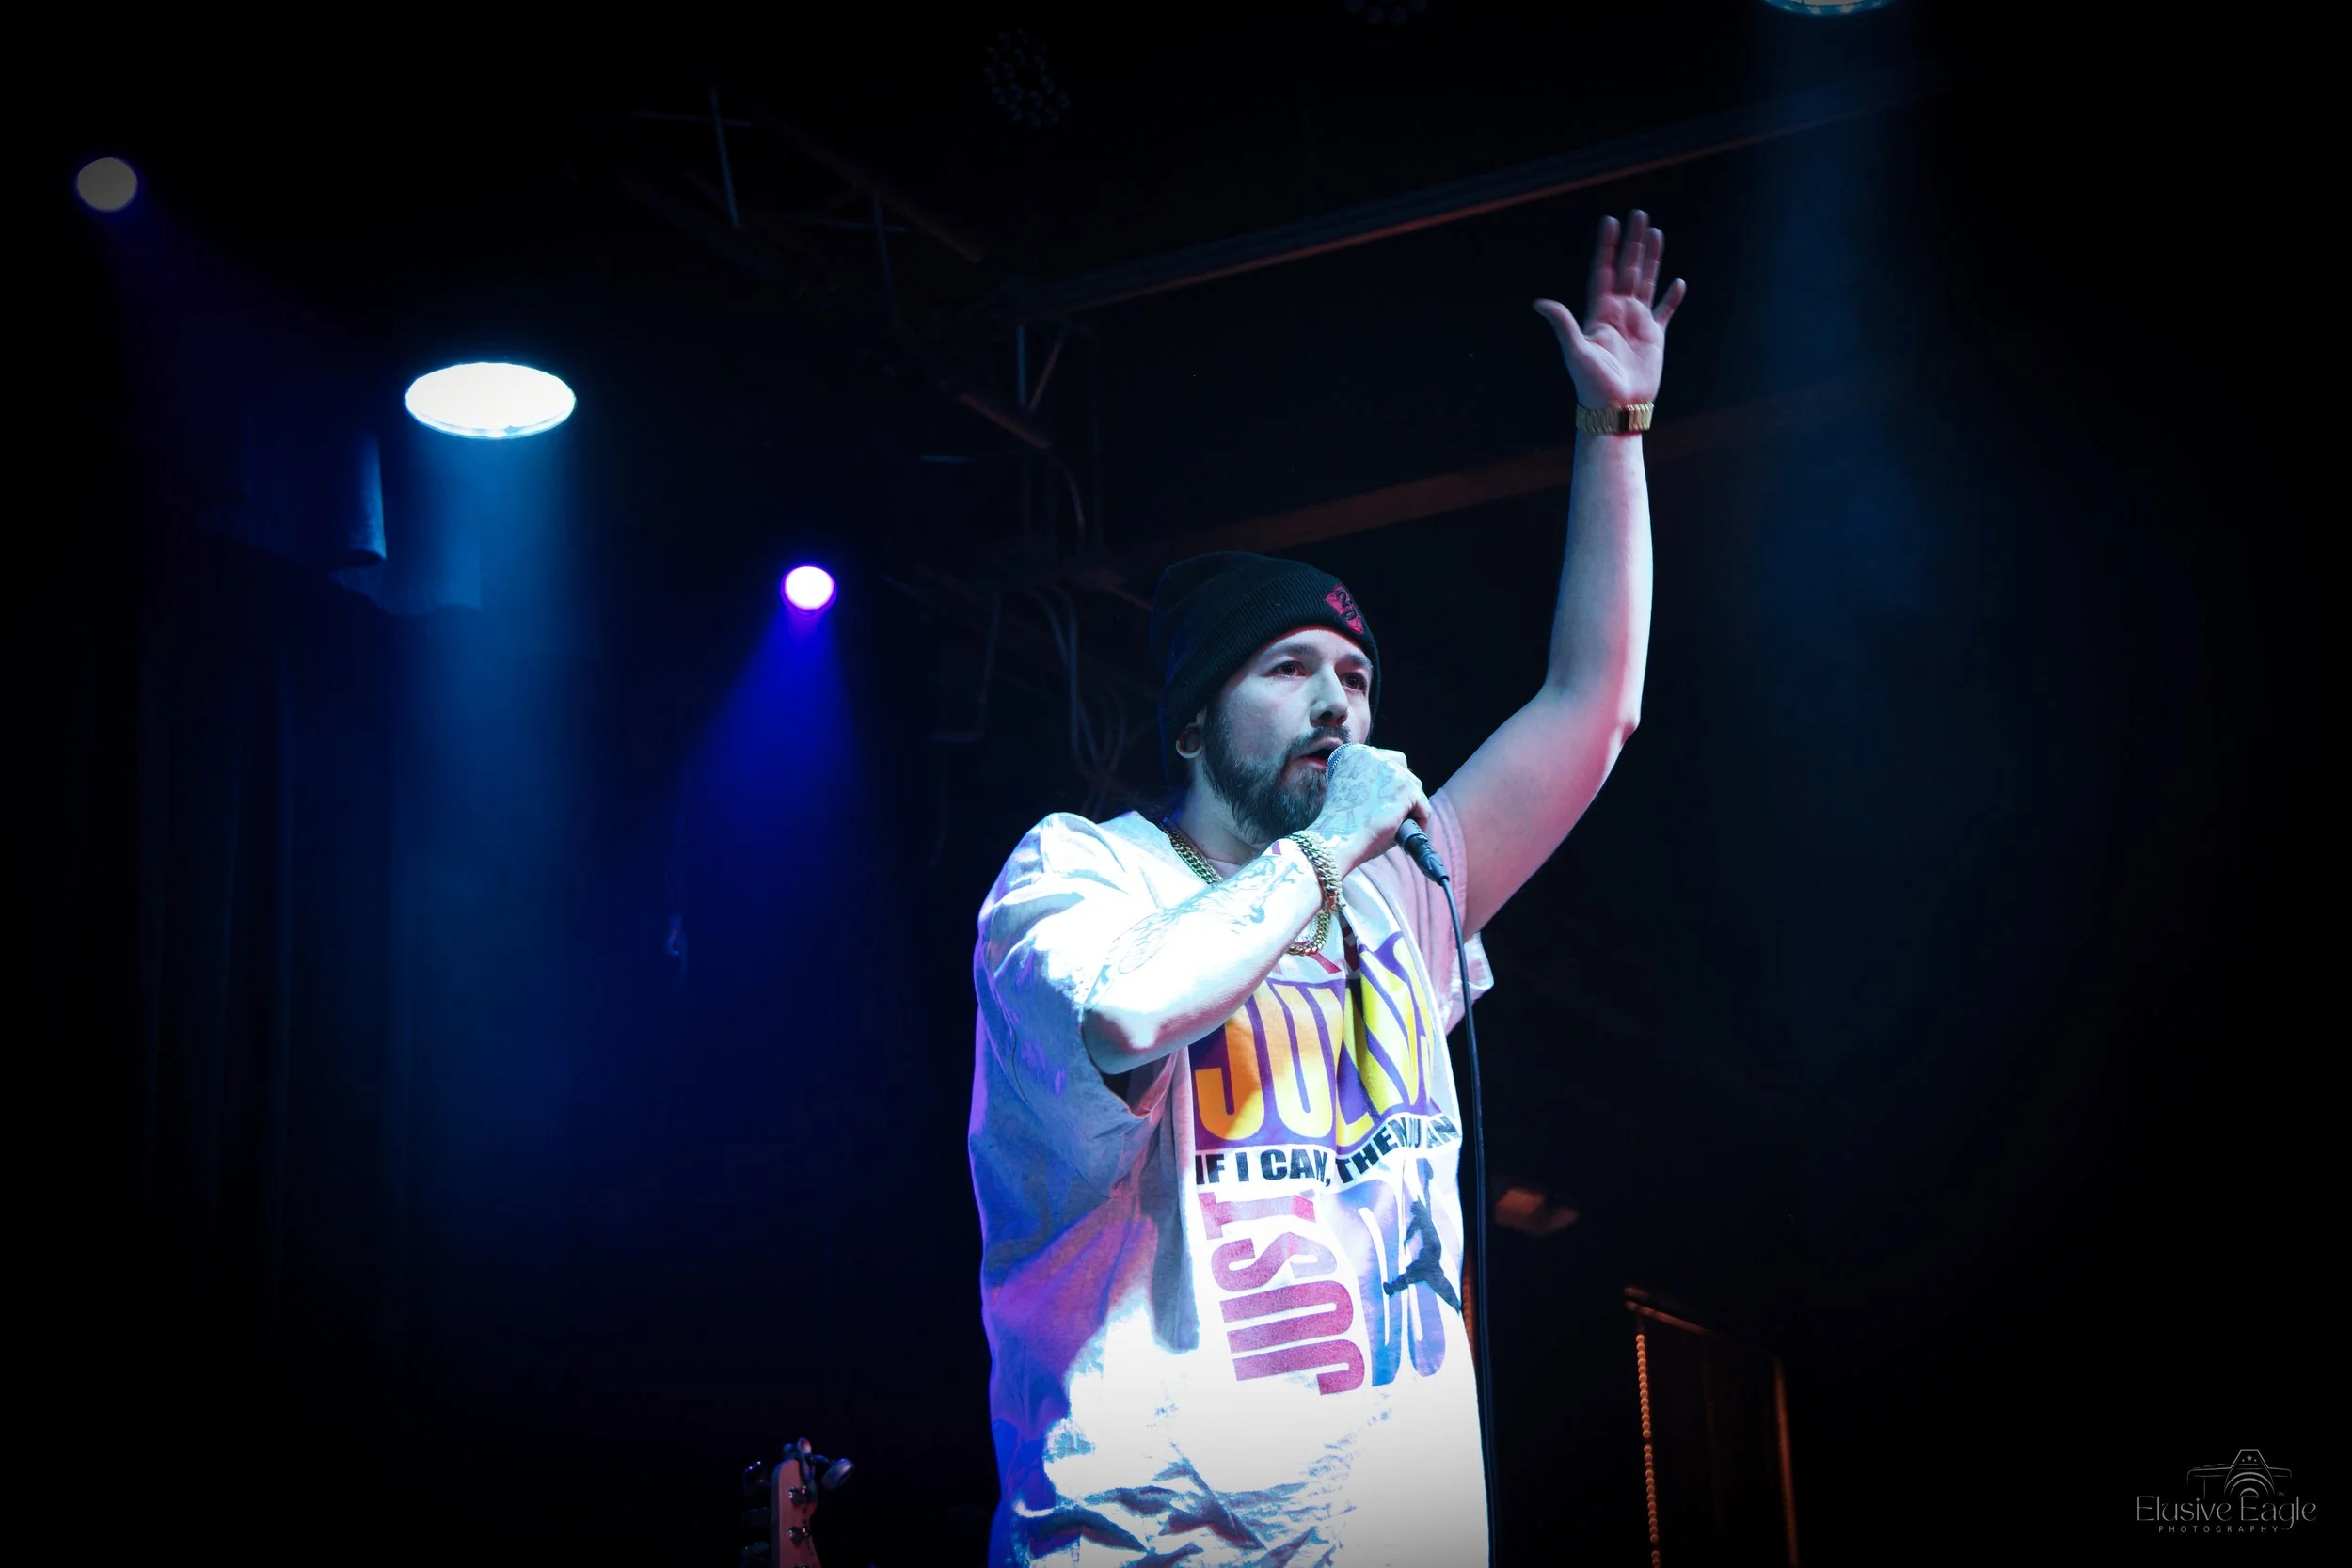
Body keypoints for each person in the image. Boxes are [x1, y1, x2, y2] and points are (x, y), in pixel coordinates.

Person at [968, 212, 1685, 1566]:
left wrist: (1618, 427)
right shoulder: (1081, 870)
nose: (1335, 705)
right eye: (1287, 670)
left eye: (1354, 677)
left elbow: (1596, 706)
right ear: (1189, 723)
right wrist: (1315, 856)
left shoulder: (1394, 892)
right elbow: (1125, 1017)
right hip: (1149, 1538)